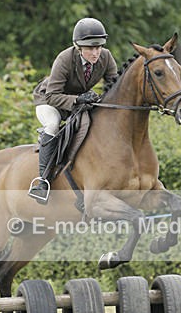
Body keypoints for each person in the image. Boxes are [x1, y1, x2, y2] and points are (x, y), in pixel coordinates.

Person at [28, 17, 118, 203]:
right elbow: (53, 95)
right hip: (49, 101)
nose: (96, 53)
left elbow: (114, 86)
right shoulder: (65, 59)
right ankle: (42, 182)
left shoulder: (106, 57)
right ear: (79, 47)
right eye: (90, 48)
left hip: (77, 103)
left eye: (98, 47)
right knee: (53, 125)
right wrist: (78, 99)